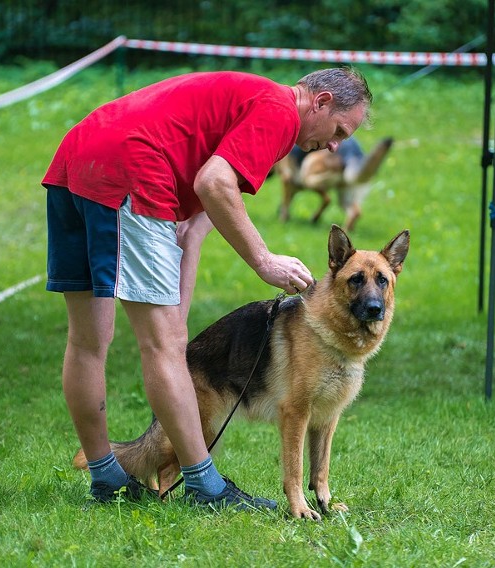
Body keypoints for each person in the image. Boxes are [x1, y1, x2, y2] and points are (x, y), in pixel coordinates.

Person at [41, 68, 373, 507]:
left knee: (89, 339)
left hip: (77, 159)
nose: (334, 146)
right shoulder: (278, 113)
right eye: (338, 131)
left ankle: (107, 478)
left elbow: (191, 228)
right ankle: (205, 487)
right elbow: (213, 183)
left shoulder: (249, 105)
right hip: (130, 169)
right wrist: (263, 259)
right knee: (160, 347)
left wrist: (176, 319)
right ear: (321, 101)